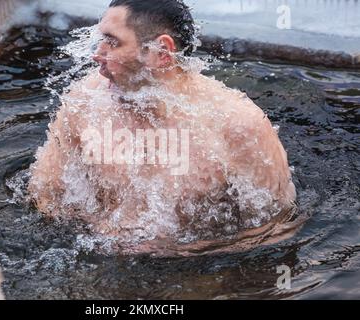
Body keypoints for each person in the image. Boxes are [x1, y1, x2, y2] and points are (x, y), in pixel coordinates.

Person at [28, 0, 297, 252]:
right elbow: (46, 191)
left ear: (161, 51)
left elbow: (277, 227)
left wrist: (184, 253)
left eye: (113, 42)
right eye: (101, 40)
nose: (97, 55)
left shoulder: (238, 124)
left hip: (196, 274)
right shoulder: (84, 101)